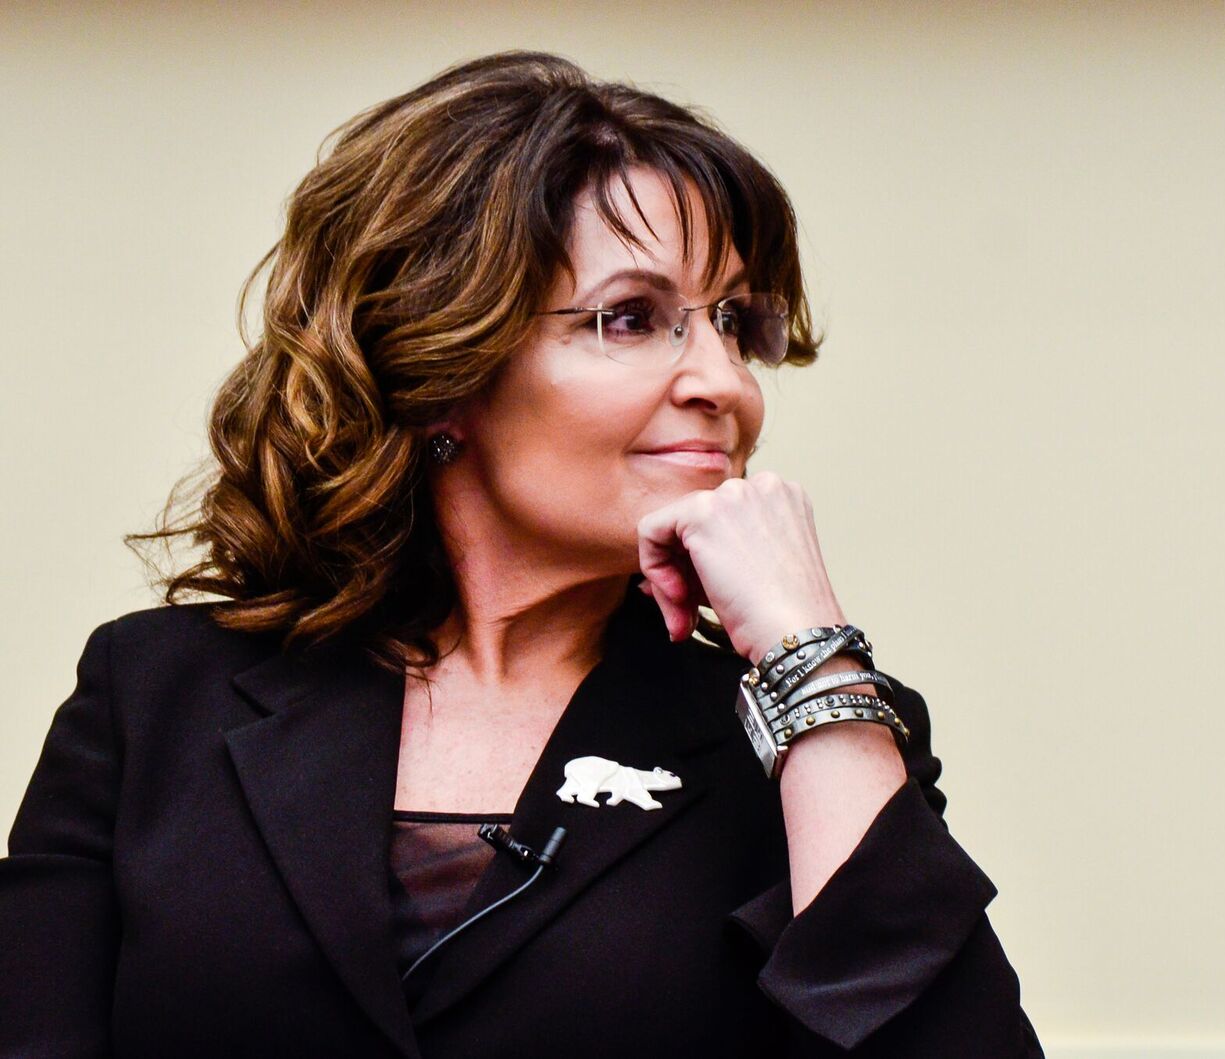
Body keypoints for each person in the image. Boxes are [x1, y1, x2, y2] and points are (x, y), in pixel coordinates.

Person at [0, 51, 1043, 1057]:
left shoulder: (817, 735)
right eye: (633, 318)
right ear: (438, 365)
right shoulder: (154, 695)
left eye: (737, 324)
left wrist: (812, 659)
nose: (724, 382)